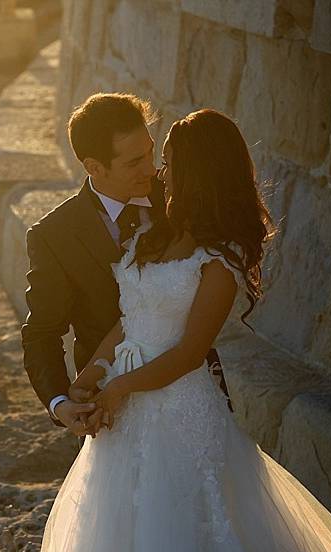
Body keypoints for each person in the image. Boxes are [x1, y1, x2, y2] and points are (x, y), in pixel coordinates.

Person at [32, 109, 331, 552]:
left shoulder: (218, 254)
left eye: (163, 159)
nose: (155, 172)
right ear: (94, 166)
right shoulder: (150, 230)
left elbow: (190, 351)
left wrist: (118, 387)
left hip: (177, 406)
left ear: (196, 172)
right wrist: (85, 381)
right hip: (117, 414)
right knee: (115, 532)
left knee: (188, 532)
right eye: (144, 160)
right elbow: (122, 320)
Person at [21, 93, 230, 445]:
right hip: (107, 411)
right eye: (135, 161)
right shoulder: (53, 236)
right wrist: (60, 403)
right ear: (94, 167)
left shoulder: (180, 196)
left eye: (150, 151)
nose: (151, 169)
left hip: (191, 401)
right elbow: (42, 332)